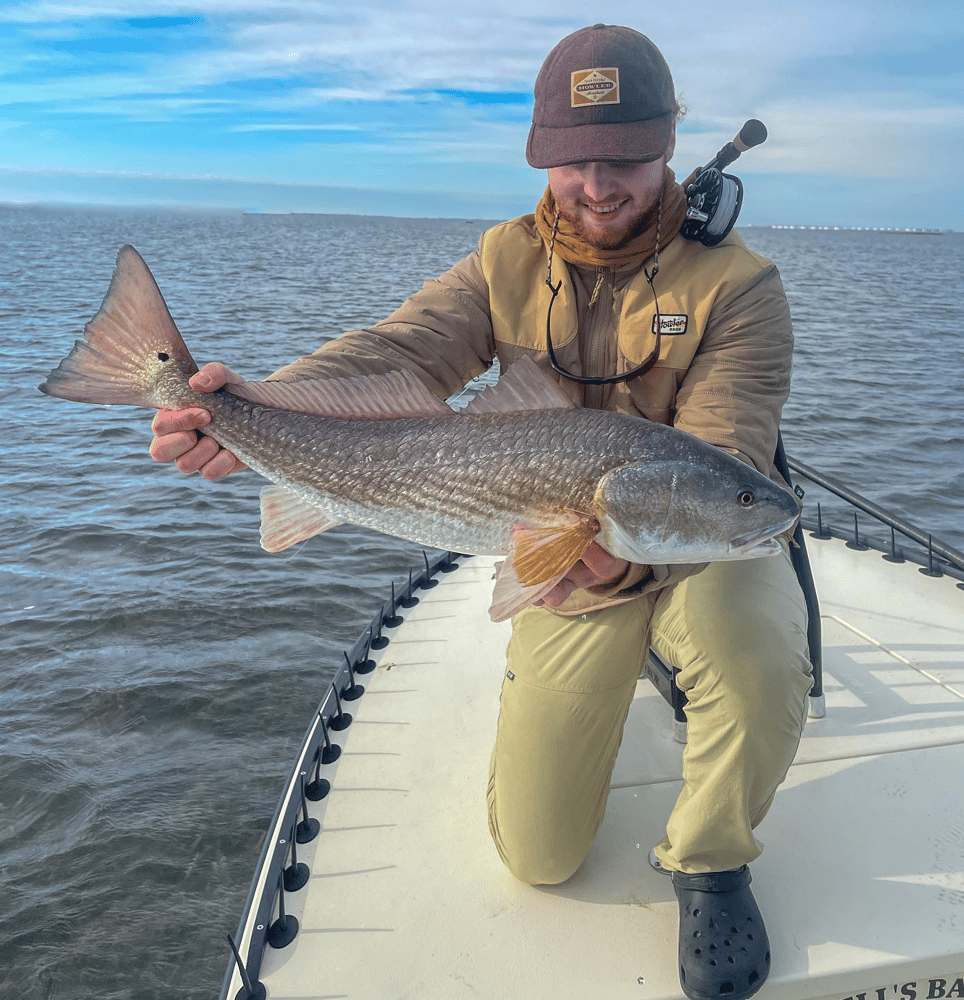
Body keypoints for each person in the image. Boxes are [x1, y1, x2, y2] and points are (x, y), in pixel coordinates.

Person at [150, 24, 813, 1000]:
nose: (598, 186)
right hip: (565, 554)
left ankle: (711, 858)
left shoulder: (739, 286)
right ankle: (633, 649)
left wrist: (634, 554)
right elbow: (401, 352)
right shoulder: (505, 257)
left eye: (625, 158)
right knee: (538, 856)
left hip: (690, 541)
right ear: (542, 156)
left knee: (755, 652)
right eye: (573, 160)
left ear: (668, 144)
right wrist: (251, 401)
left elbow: (729, 456)